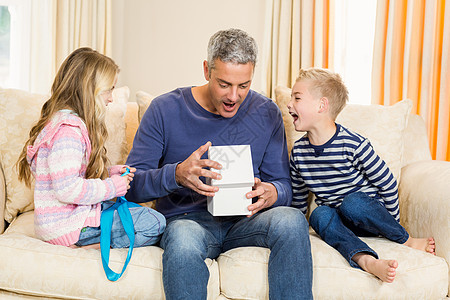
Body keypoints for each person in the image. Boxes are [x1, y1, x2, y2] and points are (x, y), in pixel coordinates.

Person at [126, 29, 313, 299]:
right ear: (206, 70)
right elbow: (131, 187)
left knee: (292, 220)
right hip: (188, 222)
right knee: (182, 238)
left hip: (247, 221)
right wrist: (176, 175)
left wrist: (273, 192)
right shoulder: (164, 109)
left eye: (244, 85)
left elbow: (284, 186)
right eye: (224, 84)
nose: (234, 96)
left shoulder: (267, 112)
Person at [288, 67, 436, 283]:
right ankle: (367, 261)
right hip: (340, 224)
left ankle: (407, 240)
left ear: (322, 105)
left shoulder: (353, 144)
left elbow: (386, 182)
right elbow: (299, 199)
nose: (289, 104)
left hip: (368, 217)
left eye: (297, 98)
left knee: (353, 203)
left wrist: (392, 225)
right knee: (319, 214)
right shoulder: (299, 153)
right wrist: (296, 230)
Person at [17, 47, 165, 249]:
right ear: (90, 91)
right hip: (67, 227)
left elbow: (65, 176)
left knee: (147, 218)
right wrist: (112, 187)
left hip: (71, 219)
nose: (111, 98)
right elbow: (67, 189)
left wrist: (110, 174)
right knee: (155, 224)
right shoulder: (67, 132)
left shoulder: (62, 124)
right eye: (109, 90)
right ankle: (83, 249)